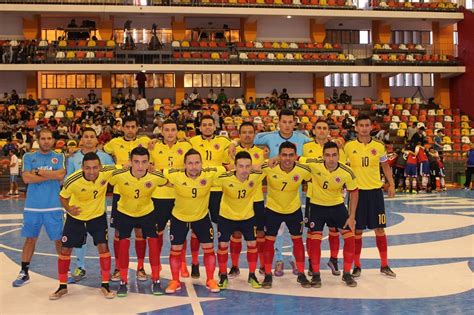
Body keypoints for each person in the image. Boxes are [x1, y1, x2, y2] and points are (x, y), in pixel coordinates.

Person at [231, 108, 311, 276]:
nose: (287, 125)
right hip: (275, 192)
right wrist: (233, 143)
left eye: (290, 122)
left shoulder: (303, 139)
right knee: (277, 230)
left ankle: (297, 262)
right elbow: (248, 137)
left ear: (294, 123)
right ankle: (279, 260)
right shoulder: (269, 136)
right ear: (279, 122)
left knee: (296, 231)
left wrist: (338, 139)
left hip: (294, 191)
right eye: (284, 122)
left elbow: (319, 145)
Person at [49, 153, 116, 300]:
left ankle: (105, 284)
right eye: (88, 168)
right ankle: (62, 286)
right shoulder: (73, 180)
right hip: (76, 218)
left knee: (103, 248)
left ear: (100, 167)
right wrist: (68, 208)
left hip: (97, 217)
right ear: (82, 167)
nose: (92, 171)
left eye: (95, 168)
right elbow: (62, 196)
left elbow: (125, 168)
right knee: (65, 250)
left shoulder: (107, 172)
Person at [109, 147, 168, 297]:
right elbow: (104, 179)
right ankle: (123, 281)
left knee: (153, 244)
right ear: (130, 162)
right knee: (123, 244)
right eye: (136, 162)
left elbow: (168, 183)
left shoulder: (156, 177)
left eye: (144, 162)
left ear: (149, 163)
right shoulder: (119, 175)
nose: (140, 166)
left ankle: (156, 280)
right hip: (124, 213)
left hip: (147, 213)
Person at [164, 149, 225, 294]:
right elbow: (155, 173)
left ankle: (210, 279)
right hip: (179, 218)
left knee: (209, 249)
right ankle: (175, 280)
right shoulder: (174, 176)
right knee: (175, 250)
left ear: (202, 164)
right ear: (184, 165)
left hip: (201, 218)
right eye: (190, 163)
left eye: (197, 163)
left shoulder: (209, 175)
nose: (194, 166)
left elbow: (231, 170)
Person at [344, 114, 396, 278]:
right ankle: (357, 266)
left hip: (375, 192)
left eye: (367, 125)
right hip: (356, 193)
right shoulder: (348, 146)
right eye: (361, 125)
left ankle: (384, 265)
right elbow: (343, 168)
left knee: (379, 229)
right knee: (357, 230)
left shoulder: (379, 146)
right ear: (356, 128)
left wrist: (392, 183)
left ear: (371, 127)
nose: (364, 128)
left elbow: (385, 166)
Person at [12, 128, 66, 287]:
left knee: (59, 240)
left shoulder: (59, 156)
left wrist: (38, 172)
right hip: (33, 207)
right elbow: (26, 178)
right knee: (30, 239)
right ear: (38, 140)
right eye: (43, 138)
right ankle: (24, 272)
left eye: (49, 138)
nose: (46, 141)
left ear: (53, 140)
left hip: (53, 206)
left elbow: (61, 175)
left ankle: (65, 271)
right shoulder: (29, 156)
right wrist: (50, 174)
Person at [304, 142, 358, 287]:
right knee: (315, 240)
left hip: (337, 207)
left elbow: (354, 192)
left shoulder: (347, 172)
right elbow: (293, 159)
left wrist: (352, 216)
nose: (331, 159)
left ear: (339, 156)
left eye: (334, 155)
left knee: (350, 238)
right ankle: (315, 274)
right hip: (317, 207)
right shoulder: (314, 164)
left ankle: (347, 273)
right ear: (323, 156)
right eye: (327, 155)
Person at [103, 116, 151, 282]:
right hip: (121, 192)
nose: (130, 129)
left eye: (133, 126)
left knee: (140, 232)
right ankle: (118, 267)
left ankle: (140, 267)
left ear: (137, 128)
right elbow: (101, 152)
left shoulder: (145, 141)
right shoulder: (114, 143)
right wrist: (118, 167)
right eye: (127, 127)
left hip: (141, 191)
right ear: (122, 128)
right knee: (119, 234)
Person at [65, 128, 114, 283]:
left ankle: (104, 271)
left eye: (92, 136)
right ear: (81, 139)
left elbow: (115, 174)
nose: (88, 139)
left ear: (96, 139)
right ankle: (80, 267)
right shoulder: (73, 157)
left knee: (102, 242)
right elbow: (68, 180)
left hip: (97, 208)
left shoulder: (105, 157)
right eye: (85, 136)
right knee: (80, 241)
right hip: (78, 208)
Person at [260, 141, 312, 289]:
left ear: (296, 156)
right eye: (284, 155)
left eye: (291, 155)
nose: (287, 158)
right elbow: (251, 168)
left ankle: (301, 274)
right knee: (269, 242)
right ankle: (268, 275)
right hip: (272, 210)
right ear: (279, 155)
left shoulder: (303, 169)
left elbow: (318, 169)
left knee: (297, 241)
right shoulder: (269, 167)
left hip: (293, 211)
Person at [301, 120, 347, 277]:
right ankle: (311, 263)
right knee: (312, 232)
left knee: (334, 230)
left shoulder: (336, 148)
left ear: (329, 131)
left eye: (324, 128)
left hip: (334, 197)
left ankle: (333, 260)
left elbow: (341, 168)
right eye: (319, 128)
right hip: (313, 197)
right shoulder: (307, 147)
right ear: (313, 130)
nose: (321, 131)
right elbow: (303, 167)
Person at [215, 151, 265, 289]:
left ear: (251, 166)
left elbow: (271, 163)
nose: (244, 170)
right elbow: (207, 176)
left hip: (247, 217)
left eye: (247, 166)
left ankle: (252, 275)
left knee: (252, 244)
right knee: (223, 245)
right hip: (226, 217)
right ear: (235, 166)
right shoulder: (224, 177)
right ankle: (223, 275)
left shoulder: (257, 175)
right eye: (241, 166)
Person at [149, 119, 193, 277]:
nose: (170, 133)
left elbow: (190, 167)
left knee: (181, 231)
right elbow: (150, 169)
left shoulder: (186, 146)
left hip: (179, 195)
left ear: (177, 131)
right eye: (166, 130)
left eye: (173, 129)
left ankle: (182, 263)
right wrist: (172, 172)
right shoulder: (153, 146)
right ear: (161, 131)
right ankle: (158, 263)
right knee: (157, 232)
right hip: (159, 196)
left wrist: (163, 172)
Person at [188, 115, 231, 277]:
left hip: (218, 190)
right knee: (195, 229)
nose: (207, 127)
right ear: (199, 127)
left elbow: (232, 161)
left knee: (221, 228)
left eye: (210, 125)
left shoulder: (225, 142)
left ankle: (221, 267)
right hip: (198, 189)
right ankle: (194, 263)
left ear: (215, 126)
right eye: (204, 125)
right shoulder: (191, 142)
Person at [224, 122, 266, 277]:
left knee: (259, 234)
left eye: (250, 132)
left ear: (255, 134)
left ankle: (262, 265)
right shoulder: (232, 150)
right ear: (239, 134)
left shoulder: (262, 151)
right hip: (236, 200)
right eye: (244, 132)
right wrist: (233, 143)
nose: (247, 135)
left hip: (256, 200)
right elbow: (228, 168)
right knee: (236, 234)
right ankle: (235, 266)